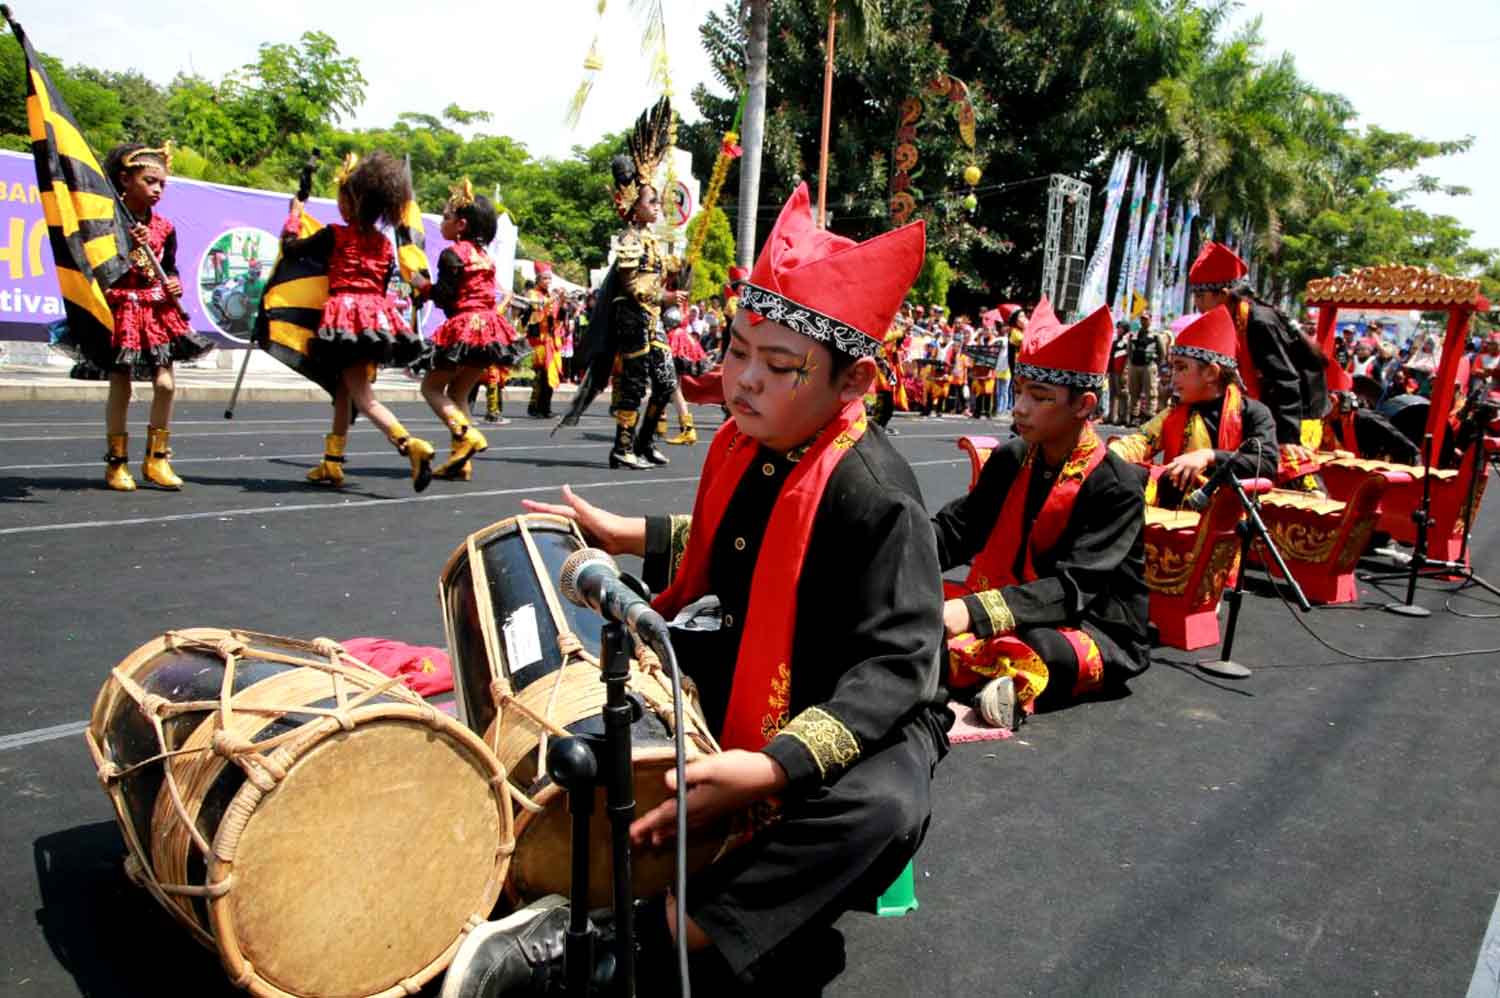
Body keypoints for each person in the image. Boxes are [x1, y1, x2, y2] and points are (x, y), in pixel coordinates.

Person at [444, 182, 947, 998]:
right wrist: (626, 534)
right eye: (738, 349)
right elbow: (736, 545)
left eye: (777, 366)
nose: (741, 380)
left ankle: (638, 939)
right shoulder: (756, 443)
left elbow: (897, 671)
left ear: (852, 384)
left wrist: (776, 767)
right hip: (749, 657)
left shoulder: (877, 495)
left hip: (851, 710)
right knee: (605, 707)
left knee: (884, 806)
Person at [930, 299, 1149, 729]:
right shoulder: (1013, 458)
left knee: (1040, 650)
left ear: (1083, 405)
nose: (1021, 407)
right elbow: (958, 530)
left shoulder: (1116, 485)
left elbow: (1074, 588)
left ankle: (995, 679)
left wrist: (970, 613)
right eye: (1022, 390)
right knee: (912, 607)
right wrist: (891, 559)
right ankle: (986, 676)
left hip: (1090, 623)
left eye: (1040, 396)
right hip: (1011, 600)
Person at [282, 151, 434, 491]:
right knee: (343, 391)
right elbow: (380, 286)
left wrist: (294, 217)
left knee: (363, 398)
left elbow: (292, 250)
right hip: (375, 321)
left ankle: (410, 445)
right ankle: (332, 462)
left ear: (351, 202)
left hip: (344, 319)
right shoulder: (383, 243)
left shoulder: (335, 234)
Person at [74, 143, 213, 491]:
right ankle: (116, 462)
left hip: (156, 311)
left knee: (165, 384)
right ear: (125, 180)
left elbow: (168, 266)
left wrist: (175, 283)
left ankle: (157, 459)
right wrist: (127, 242)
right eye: (149, 181)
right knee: (121, 386)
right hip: (122, 310)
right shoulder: (107, 222)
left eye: (162, 184)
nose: (156, 190)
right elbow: (99, 266)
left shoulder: (165, 227)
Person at [558, 98, 685, 470]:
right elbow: (634, 287)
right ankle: (622, 447)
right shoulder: (629, 240)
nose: (658, 204)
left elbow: (656, 281)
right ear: (633, 206)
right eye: (651, 200)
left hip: (652, 319)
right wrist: (665, 294)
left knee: (665, 380)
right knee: (634, 383)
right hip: (631, 318)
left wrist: (673, 282)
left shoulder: (652, 241)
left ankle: (645, 443)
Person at [1108, 306, 1279, 508]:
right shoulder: (1175, 412)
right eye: (1173, 368)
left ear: (1210, 373)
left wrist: (1209, 456)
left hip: (1228, 518)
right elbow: (1141, 441)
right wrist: (1108, 454)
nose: (1174, 377)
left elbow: (1267, 464)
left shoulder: (1253, 412)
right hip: (1176, 511)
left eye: (1181, 368)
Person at [1189, 242, 1329, 489]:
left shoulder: (1259, 322)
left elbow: (1286, 380)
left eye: (1201, 296)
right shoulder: (1235, 319)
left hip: (1300, 410)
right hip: (1270, 406)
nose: (1197, 305)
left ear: (1223, 295)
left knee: (1294, 473)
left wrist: (1287, 438)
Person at [408, 180, 521, 481]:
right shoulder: (484, 256)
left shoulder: (452, 254)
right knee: (458, 392)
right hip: (489, 331)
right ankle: (462, 462)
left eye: (445, 217)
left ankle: (466, 433)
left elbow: (446, 297)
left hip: (464, 328)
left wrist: (423, 287)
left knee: (430, 389)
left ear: (461, 224)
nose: (441, 221)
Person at [524, 264, 564, 418]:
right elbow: (536, 312)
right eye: (545, 278)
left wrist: (561, 301)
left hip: (552, 340)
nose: (548, 281)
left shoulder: (549, 295)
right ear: (538, 279)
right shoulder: (533, 294)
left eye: (549, 278)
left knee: (551, 374)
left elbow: (557, 317)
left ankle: (546, 407)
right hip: (540, 340)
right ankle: (534, 407)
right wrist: (552, 299)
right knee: (541, 374)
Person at [1126, 315, 1164, 424]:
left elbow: (1162, 352)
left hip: (1149, 365)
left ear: (1150, 320)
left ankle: (1149, 416)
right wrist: (1131, 361)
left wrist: (1157, 364)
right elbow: (1129, 349)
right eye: (1142, 319)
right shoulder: (1134, 334)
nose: (1143, 321)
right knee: (1133, 391)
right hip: (1135, 365)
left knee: (1150, 392)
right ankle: (1133, 416)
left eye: (1146, 319)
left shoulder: (1155, 335)